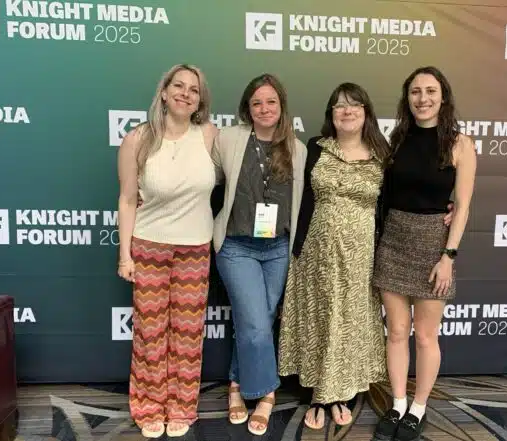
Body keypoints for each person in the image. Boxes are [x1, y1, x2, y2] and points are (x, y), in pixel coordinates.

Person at [277, 82, 392, 430]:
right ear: (331, 114)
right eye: (339, 105)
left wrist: (446, 208)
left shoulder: (383, 154)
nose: (347, 110)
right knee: (320, 318)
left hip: (361, 257)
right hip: (317, 252)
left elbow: (399, 201)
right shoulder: (315, 148)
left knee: (349, 320)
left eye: (355, 104)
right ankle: (319, 394)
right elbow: (296, 194)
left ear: (366, 112)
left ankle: (340, 393)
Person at [371, 66, 477, 441]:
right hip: (394, 241)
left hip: (434, 245)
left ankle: (418, 407)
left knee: (426, 337)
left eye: (430, 91)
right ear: (407, 98)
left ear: (443, 96)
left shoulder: (461, 144)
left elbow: (462, 207)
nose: (423, 98)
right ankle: (398, 403)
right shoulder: (396, 140)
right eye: (415, 91)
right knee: (397, 331)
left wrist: (449, 256)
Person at [116, 64, 218, 439]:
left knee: (188, 335)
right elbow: (128, 200)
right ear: (164, 92)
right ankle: (148, 406)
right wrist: (125, 256)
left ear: (200, 100)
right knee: (150, 332)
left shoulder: (209, 135)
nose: (185, 93)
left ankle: (181, 407)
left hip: (195, 248)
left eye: (194, 89)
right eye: (178, 86)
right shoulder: (137, 139)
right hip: (149, 247)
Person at [210, 73, 307, 436]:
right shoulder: (228, 139)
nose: (264, 108)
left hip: (277, 248)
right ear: (247, 108)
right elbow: (201, 179)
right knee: (254, 324)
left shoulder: (297, 149)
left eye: (271, 101)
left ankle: (236, 384)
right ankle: (266, 393)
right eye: (256, 103)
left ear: (282, 106)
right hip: (237, 246)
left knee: (258, 323)